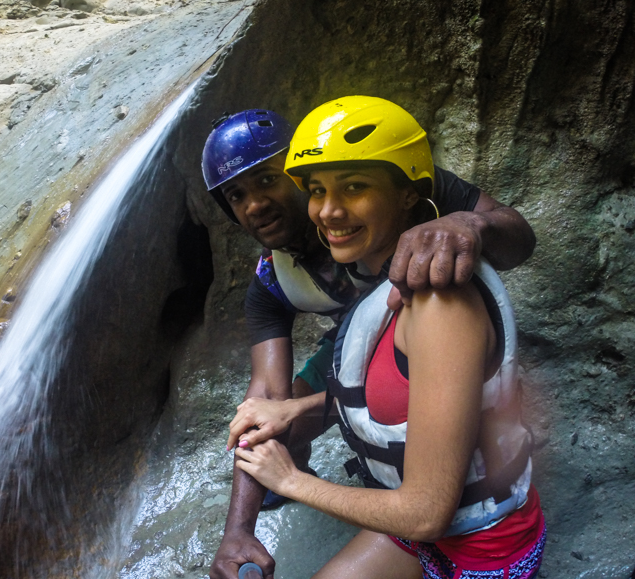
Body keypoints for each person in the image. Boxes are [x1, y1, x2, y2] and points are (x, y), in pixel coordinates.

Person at [202, 109, 537, 579]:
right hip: (360, 343)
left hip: (463, 516)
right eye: (237, 195)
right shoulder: (274, 279)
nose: (255, 204)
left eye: (267, 180)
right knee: (282, 413)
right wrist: (239, 529)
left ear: (408, 196)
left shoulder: (412, 213)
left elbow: (518, 235)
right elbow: (265, 397)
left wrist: (469, 224)